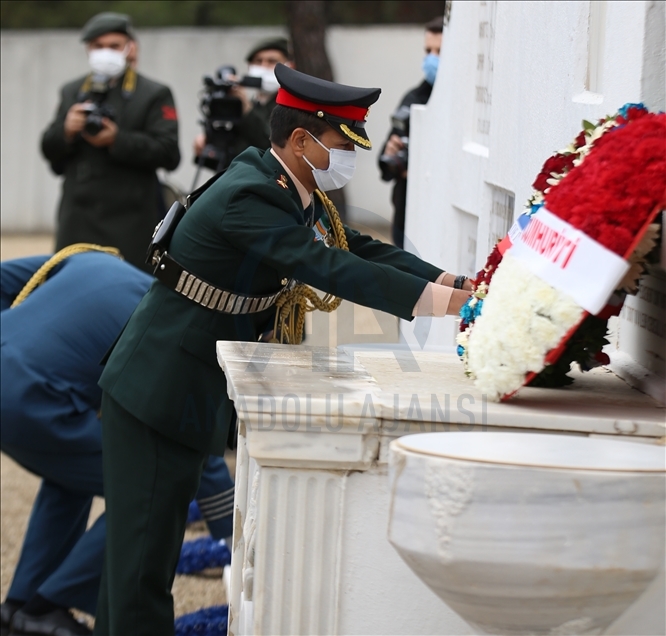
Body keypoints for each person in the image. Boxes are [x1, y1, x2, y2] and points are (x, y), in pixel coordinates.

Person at [96, 63, 473, 635]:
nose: (347, 158)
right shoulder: (252, 194)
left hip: (180, 385)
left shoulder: (288, 186)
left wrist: (453, 283)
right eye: (338, 144)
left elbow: (359, 248)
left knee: (139, 564)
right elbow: (327, 266)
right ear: (300, 140)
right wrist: (453, 310)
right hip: (157, 389)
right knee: (142, 571)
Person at [0, 251, 234, 636]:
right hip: (34, 399)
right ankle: (48, 606)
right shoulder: (169, 328)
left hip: (29, 391)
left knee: (72, 478)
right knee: (151, 490)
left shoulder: (94, 259)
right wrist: (235, 532)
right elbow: (191, 448)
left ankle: (21, 607)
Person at [40, 12, 180, 271]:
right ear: (87, 49)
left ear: (130, 47)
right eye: (98, 46)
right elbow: (49, 149)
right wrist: (66, 130)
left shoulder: (152, 93)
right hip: (78, 220)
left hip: (131, 223)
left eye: (114, 46)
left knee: (129, 299)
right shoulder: (73, 91)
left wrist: (117, 139)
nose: (105, 53)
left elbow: (169, 153)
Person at [378, 16, 443, 249]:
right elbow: (384, 161)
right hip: (406, 210)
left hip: (440, 211)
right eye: (428, 50)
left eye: (439, 51)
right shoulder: (413, 97)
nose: (432, 58)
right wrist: (392, 152)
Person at [193, 37, 294, 171]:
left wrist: (246, 108)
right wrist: (209, 141)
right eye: (258, 61)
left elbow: (272, 145)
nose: (264, 66)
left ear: (289, 66)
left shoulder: (291, 108)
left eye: (272, 61)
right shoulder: (249, 105)